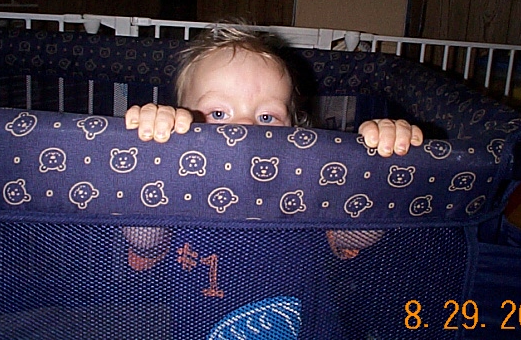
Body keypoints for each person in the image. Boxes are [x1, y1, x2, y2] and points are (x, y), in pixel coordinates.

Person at [123, 22, 423, 270]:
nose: (245, 128)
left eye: (266, 117)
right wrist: (154, 152)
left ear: (296, 130)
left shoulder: (307, 191)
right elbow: (144, 240)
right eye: (218, 114)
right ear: (184, 122)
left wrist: (382, 164)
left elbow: (357, 236)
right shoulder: (178, 190)